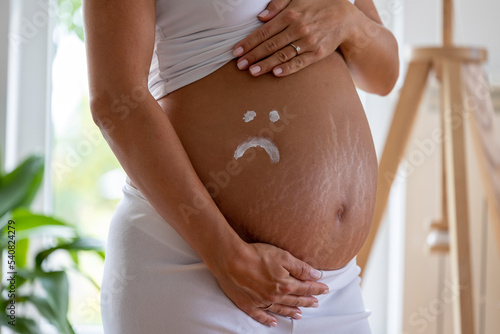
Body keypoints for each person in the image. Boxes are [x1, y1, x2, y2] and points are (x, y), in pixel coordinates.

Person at [83, 0, 398, 332]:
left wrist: (348, 21)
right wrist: (224, 255)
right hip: (198, 270)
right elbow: (115, 99)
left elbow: (384, 75)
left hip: (331, 291)